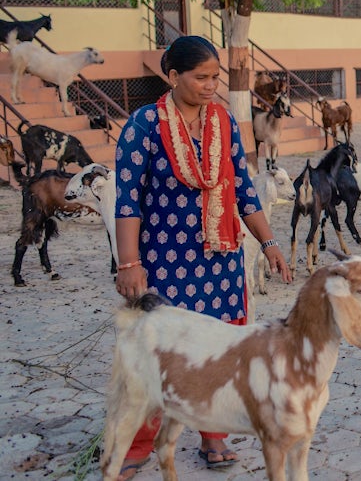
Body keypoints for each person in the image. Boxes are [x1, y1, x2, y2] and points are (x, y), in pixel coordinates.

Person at [112, 35, 292, 480]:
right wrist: (129, 264)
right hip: (165, 263)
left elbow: (245, 191)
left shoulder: (226, 123)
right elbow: (128, 199)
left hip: (221, 263)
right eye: (202, 77)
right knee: (160, 354)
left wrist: (269, 244)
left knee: (220, 352)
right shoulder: (143, 125)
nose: (213, 85)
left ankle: (214, 436)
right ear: (173, 77)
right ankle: (137, 442)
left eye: (217, 77)